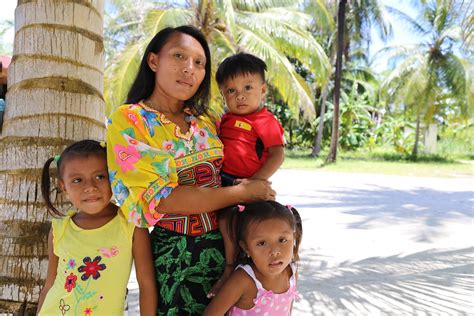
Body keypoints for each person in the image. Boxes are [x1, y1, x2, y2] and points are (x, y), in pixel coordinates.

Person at [105, 25, 275, 315]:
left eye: (199, 63)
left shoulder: (207, 120)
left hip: (230, 250)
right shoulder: (130, 120)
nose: (189, 69)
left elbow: (243, 160)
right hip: (176, 257)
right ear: (154, 61)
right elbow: (164, 199)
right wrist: (241, 192)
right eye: (179, 56)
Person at [37, 140, 157, 315]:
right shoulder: (59, 230)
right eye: (77, 180)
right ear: (64, 187)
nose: (90, 187)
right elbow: (50, 284)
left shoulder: (131, 225)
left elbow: (146, 284)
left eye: (100, 176)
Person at [210, 52, 285, 295]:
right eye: (230, 91)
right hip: (224, 181)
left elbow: (277, 154)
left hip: (250, 184)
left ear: (263, 90)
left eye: (247, 87)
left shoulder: (265, 120)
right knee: (223, 221)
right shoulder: (226, 119)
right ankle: (232, 265)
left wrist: (255, 182)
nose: (239, 95)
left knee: (250, 227)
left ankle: (244, 271)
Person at [204, 201, 303, 316]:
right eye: (261, 243)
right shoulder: (243, 280)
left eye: (282, 240)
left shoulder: (291, 273)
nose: (275, 251)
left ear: (294, 237)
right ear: (246, 248)